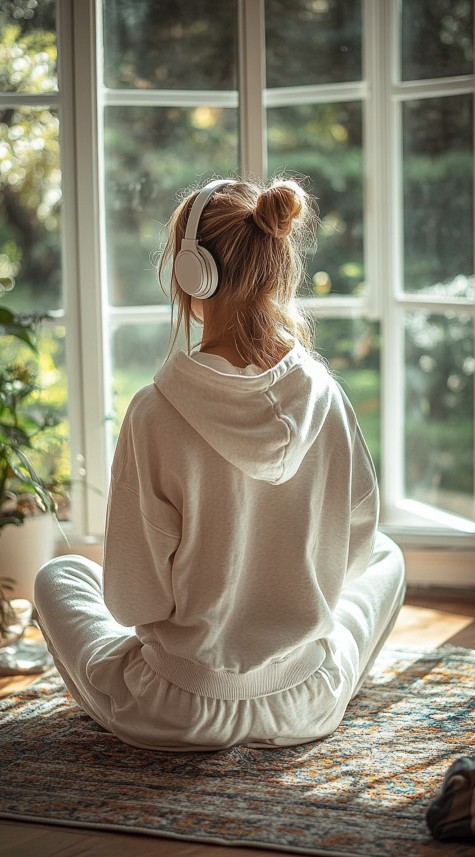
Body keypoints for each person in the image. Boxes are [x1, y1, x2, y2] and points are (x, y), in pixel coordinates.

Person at [34, 176, 406, 751]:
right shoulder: (326, 395)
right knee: (387, 556)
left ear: (190, 275)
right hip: (303, 699)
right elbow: (355, 556)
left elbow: (135, 602)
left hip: (174, 707)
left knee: (57, 576)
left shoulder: (154, 412)